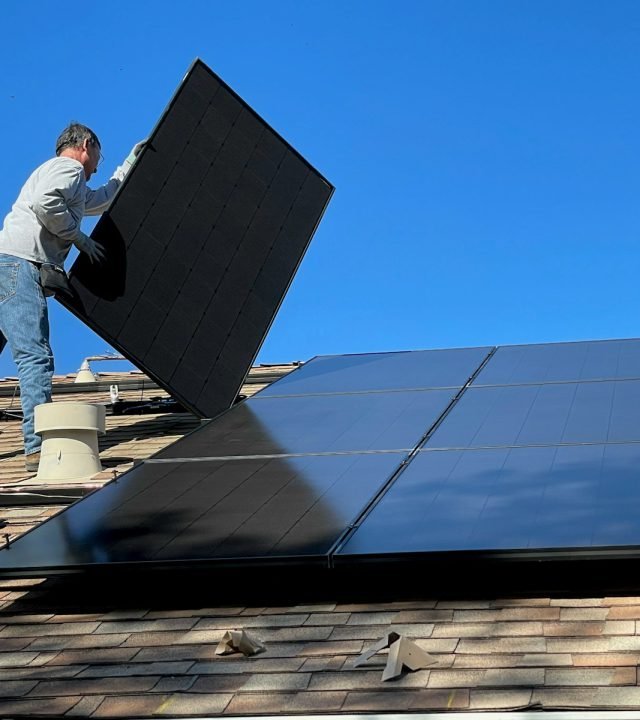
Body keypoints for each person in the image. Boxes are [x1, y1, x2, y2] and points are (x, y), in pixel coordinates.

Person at [0, 123, 143, 471]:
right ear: (85, 144)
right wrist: (78, 238)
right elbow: (46, 203)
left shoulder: (71, 182)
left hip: (7, 265)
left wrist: (129, 164)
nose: (97, 166)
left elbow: (100, 200)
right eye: (99, 157)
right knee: (36, 357)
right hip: (20, 265)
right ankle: (38, 449)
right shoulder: (69, 169)